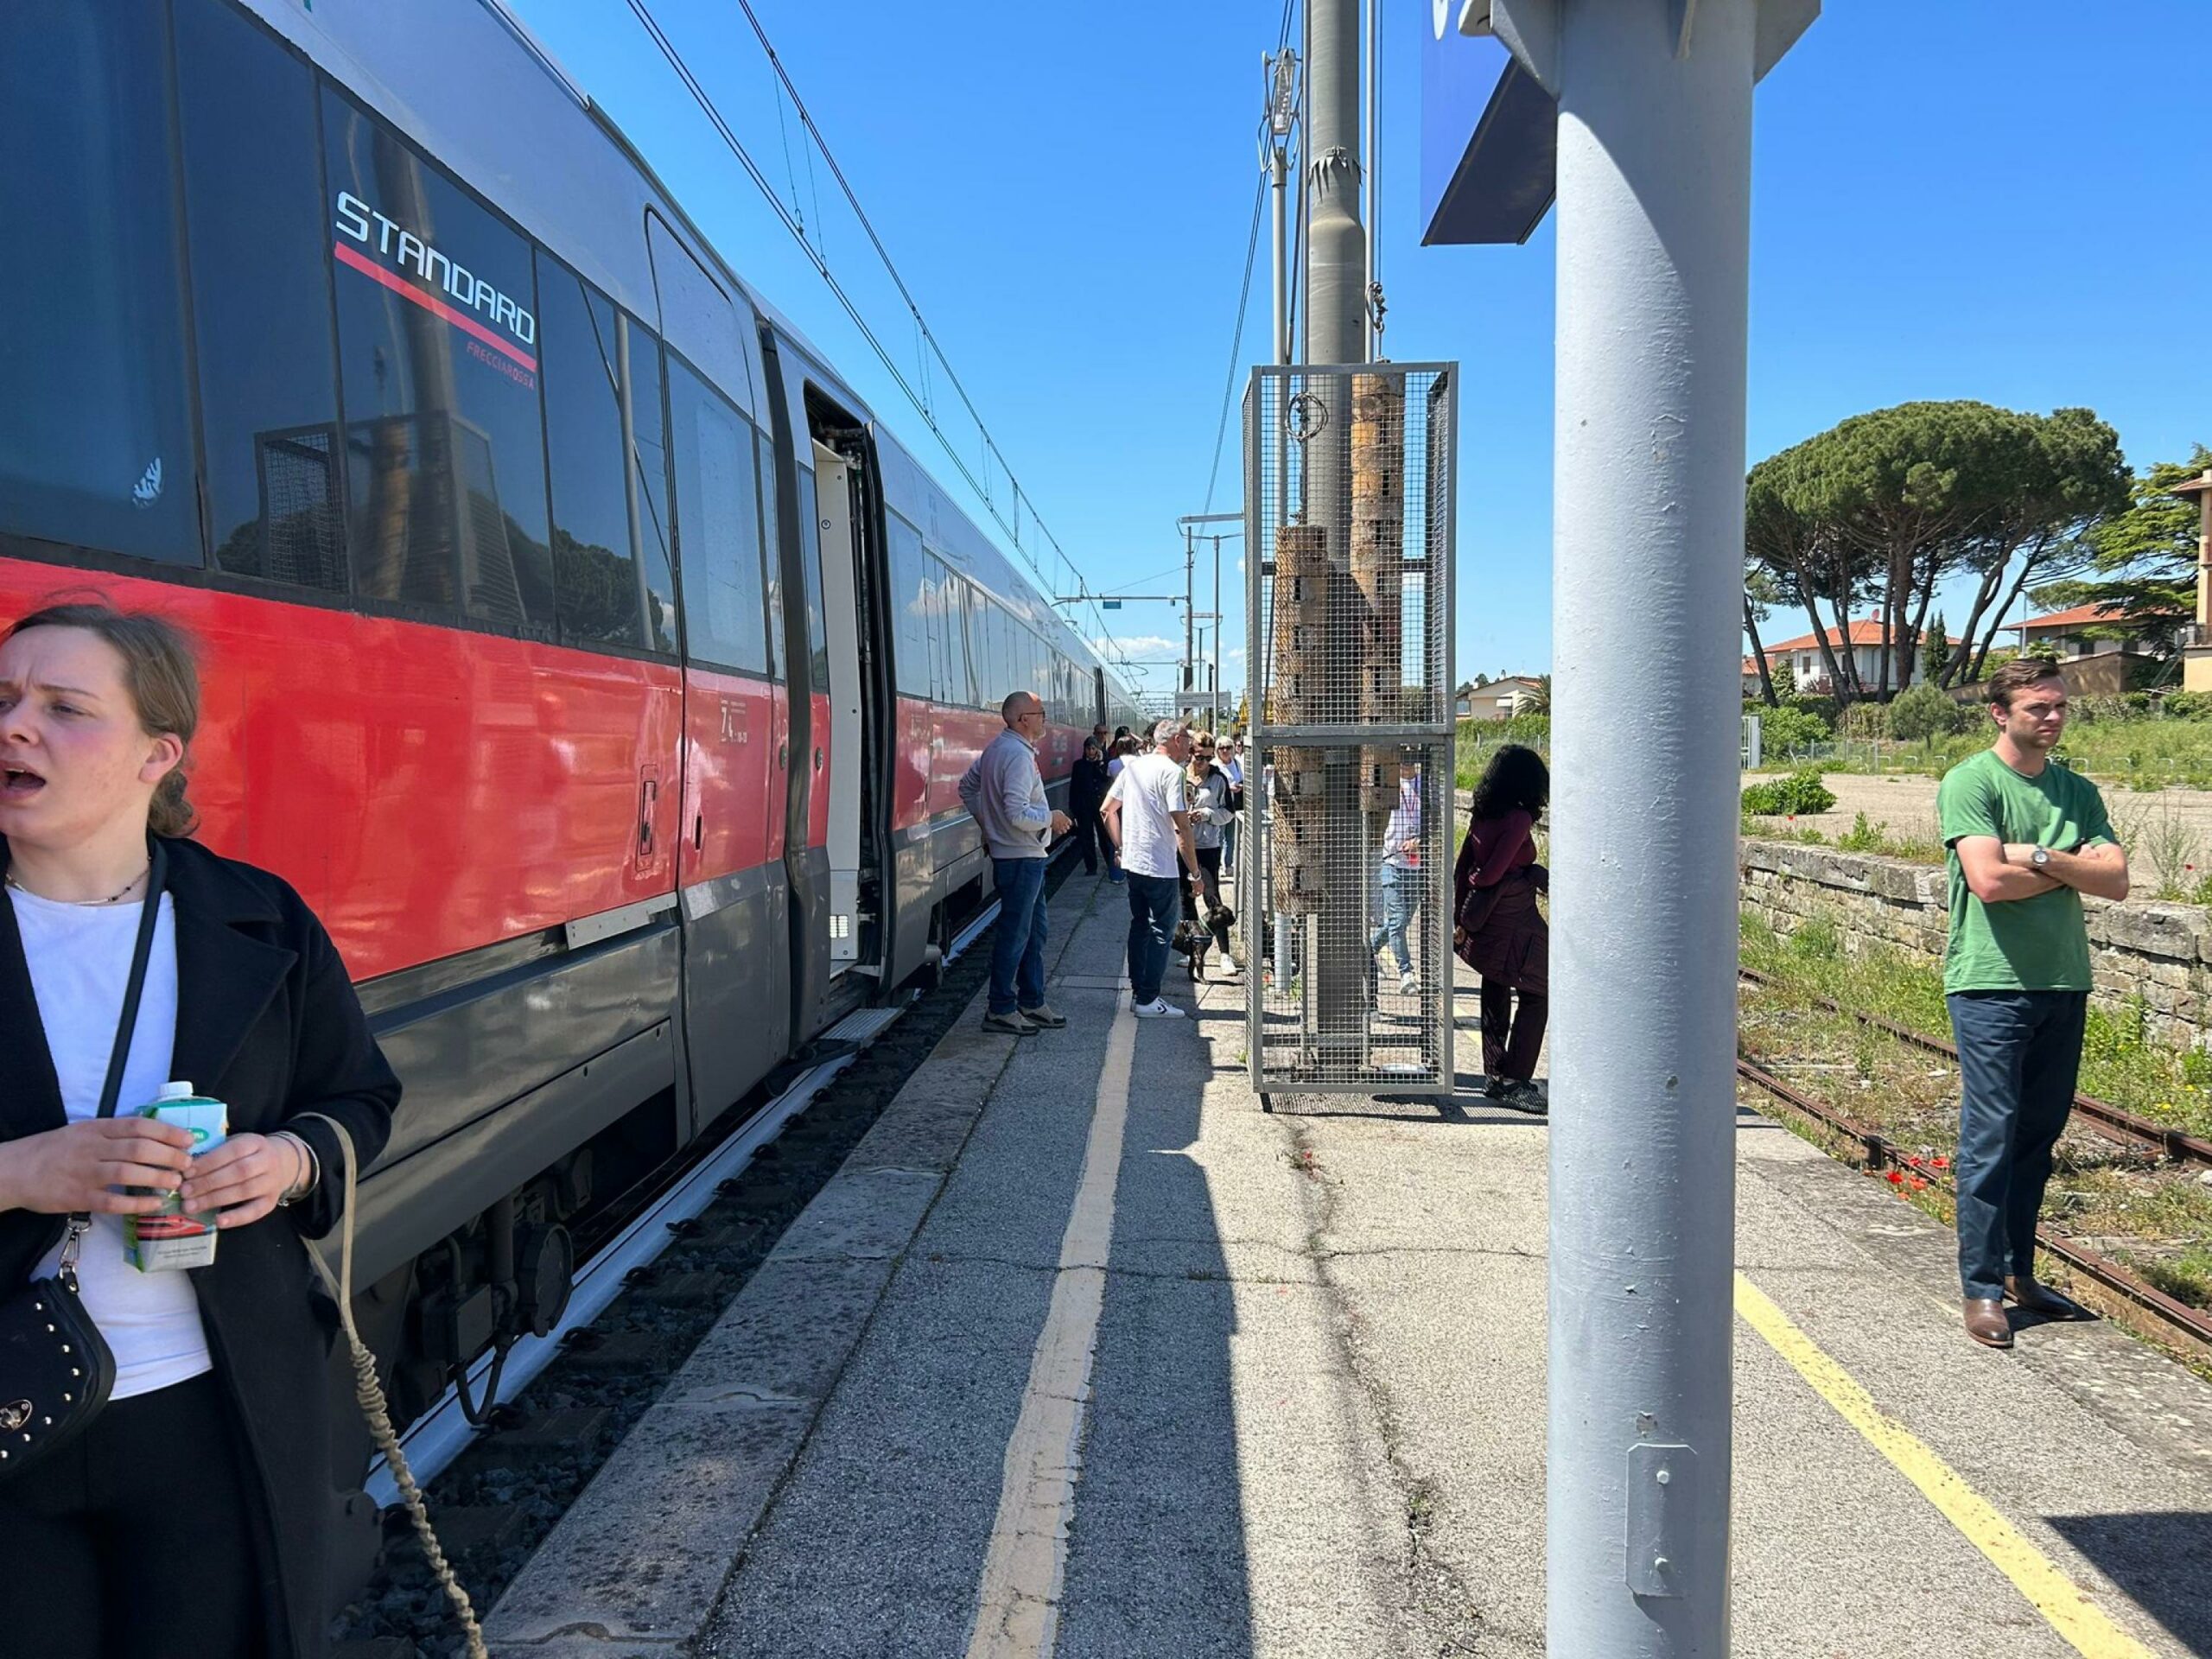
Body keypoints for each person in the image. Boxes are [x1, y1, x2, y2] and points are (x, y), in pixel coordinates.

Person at [0, 601, 400, 1659]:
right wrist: (21, 1172)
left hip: (214, 1417)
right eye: (2, 700)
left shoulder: (256, 918)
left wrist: (287, 1158)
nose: (14, 726)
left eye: (62, 707)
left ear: (155, 754)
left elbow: (360, 1101)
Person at [1937, 658, 2128, 1350]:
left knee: (2038, 1140)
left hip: (2062, 981)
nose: (2051, 718)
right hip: (1991, 985)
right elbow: (1987, 881)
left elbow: (2117, 882)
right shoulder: (1971, 782)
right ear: (2001, 713)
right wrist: (2070, 864)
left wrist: (2041, 860)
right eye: (2036, 708)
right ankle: (1982, 1289)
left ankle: (2022, 1275)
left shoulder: (2076, 790)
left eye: (2058, 707)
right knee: (1991, 1139)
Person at [959, 691, 1073, 1036]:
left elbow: (967, 788)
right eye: (1041, 713)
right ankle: (1000, 1008)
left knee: (1034, 932)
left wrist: (987, 826)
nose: (1044, 719)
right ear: (1024, 718)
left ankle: (1032, 1000)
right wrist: (1050, 817)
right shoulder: (1017, 756)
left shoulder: (997, 749)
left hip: (1020, 854)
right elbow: (1017, 812)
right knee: (1016, 934)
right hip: (1021, 856)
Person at [1453, 743, 1549, 1112]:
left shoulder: (1483, 813)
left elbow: (1464, 866)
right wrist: (1527, 873)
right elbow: (1491, 871)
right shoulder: (1519, 818)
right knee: (1538, 993)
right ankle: (1516, 1081)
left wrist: (1459, 918)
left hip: (1487, 924)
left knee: (1495, 987)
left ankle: (1494, 1075)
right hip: (1514, 922)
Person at [1101, 719, 1201, 1019]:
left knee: (1140, 925)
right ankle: (1148, 1000)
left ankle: (1138, 992)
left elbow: (1107, 810)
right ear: (1174, 740)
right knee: (1162, 931)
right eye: (1186, 739)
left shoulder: (1133, 768)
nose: (1190, 746)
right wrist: (1195, 873)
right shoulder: (1173, 772)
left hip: (1134, 863)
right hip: (1161, 865)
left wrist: (1120, 848)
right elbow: (1181, 827)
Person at [1177, 731, 1236, 973]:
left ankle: (1225, 955)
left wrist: (1206, 815)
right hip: (1181, 844)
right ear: (1191, 753)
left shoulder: (1218, 779)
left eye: (1209, 759)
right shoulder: (1178, 775)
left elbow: (1229, 812)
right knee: (1186, 899)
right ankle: (1193, 952)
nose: (1203, 763)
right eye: (1200, 757)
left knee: (1212, 899)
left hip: (1208, 846)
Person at [1368, 755, 1425, 998]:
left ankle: (1369, 948)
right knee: (1398, 919)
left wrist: (1419, 842)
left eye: (1411, 758)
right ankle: (1406, 973)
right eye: (1402, 758)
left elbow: (1436, 823)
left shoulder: (1427, 786)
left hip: (1418, 865)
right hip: (1391, 861)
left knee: (1399, 922)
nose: (1406, 763)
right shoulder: (1388, 785)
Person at [1070, 737, 1113, 879]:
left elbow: (1107, 782)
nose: (1090, 751)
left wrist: (1100, 764)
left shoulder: (1104, 764)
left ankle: (1110, 864)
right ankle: (1091, 867)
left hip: (1101, 806)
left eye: (1093, 748)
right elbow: (1074, 787)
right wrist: (1073, 808)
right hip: (1084, 806)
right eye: (1088, 748)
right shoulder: (1078, 765)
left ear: (1097, 750)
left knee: (1104, 836)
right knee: (1086, 837)